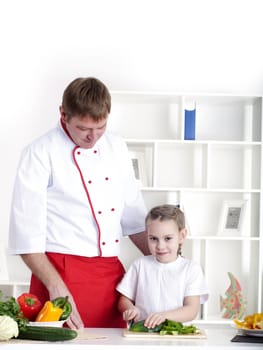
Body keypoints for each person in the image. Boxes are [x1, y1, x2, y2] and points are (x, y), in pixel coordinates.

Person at [8, 77, 150, 329]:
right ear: (63, 114)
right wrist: (56, 287)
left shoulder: (116, 146)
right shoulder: (40, 152)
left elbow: (135, 220)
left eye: (101, 127)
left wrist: (173, 265)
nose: (93, 137)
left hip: (110, 279)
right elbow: (26, 238)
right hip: (58, 276)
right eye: (83, 128)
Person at [117, 204, 209, 329]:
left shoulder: (191, 269)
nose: (160, 246)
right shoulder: (140, 265)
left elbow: (191, 310)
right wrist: (130, 309)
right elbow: (124, 300)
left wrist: (164, 316)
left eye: (168, 238)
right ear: (147, 236)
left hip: (177, 334)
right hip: (143, 333)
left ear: (182, 236)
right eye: (153, 238)